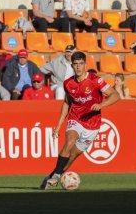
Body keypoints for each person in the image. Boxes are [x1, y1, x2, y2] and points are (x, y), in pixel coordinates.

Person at [39, 51, 120, 190]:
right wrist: (58, 126)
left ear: (85, 64)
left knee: (72, 156)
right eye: (75, 64)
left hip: (92, 125)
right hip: (76, 119)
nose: (78, 67)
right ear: (72, 65)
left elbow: (115, 95)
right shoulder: (68, 83)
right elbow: (66, 103)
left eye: (81, 64)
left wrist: (101, 105)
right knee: (70, 141)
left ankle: (52, 176)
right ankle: (57, 177)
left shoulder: (95, 80)